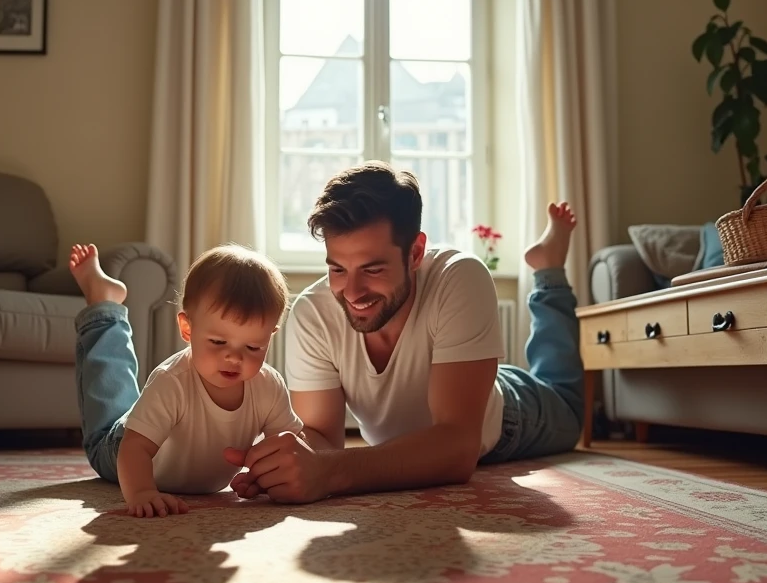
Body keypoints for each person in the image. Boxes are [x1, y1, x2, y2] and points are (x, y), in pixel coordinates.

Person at [226, 161, 584, 504]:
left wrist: (331, 472)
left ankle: (548, 271)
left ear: (415, 253)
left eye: (373, 269)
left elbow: (458, 447)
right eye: (337, 269)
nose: (351, 293)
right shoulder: (312, 313)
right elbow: (322, 441)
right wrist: (278, 464)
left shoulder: (460, 276)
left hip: (505, 418)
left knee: (567, 404)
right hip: (456, 377)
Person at [71, 241, 303, 518]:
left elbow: (289, 445)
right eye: (218, 342)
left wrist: (264, 475)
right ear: (187, 328)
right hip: (122, 448)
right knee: (110, 385)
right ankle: (103, 308)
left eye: (253, 347)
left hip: (161, 425)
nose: (234, 358)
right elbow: (134, 448)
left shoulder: (268, 386)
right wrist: (143, 492)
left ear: (269, 337)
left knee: (147, 411)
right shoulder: (172, 381)